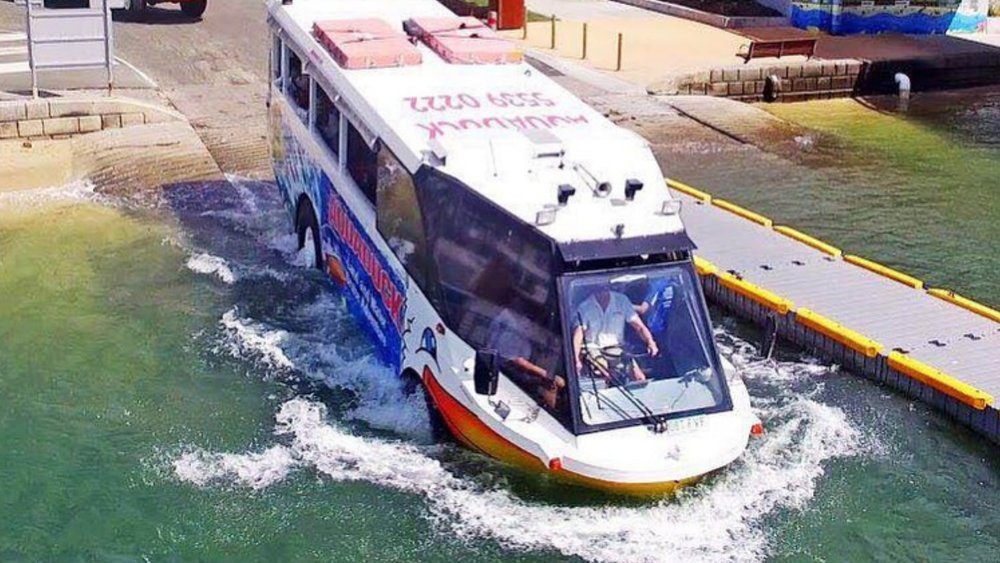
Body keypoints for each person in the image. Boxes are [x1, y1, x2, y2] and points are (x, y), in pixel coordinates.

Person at [487, 301, 565, 410]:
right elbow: (513, 359)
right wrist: (545, 375)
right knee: (551, 386)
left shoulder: (527, 335)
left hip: (521, 374)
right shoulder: (513, 328)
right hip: (502, 374)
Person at [572, 286, 659, 382]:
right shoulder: (584, 307)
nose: (602, 291)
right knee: (602, 370)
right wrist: (576, 359)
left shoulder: (621, 300)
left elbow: (639, 327)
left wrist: (650, 341)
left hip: (616, 348)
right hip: (593, 348)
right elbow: (578, 334)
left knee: (638, 377)